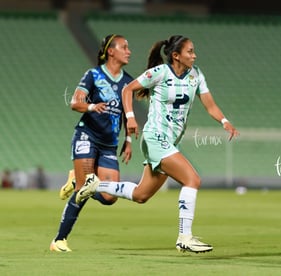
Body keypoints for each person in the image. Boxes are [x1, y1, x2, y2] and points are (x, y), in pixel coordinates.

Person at [76, 35, 239, 253]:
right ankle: (185, 237)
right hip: (154, 137)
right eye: (190, 51)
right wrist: (131, 117)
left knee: (141, 195)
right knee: (192, 179)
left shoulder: (196, 75)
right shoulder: (160, 73)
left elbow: (210, 105)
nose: (194, 55)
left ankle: (95, 185)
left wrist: (225, 121)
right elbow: (127, 89)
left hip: (169, 142)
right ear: (176, 56)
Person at [50, 34, 134, 252]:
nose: (129, 51)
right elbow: (75, 102)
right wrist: (91, 107)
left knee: (108, 196)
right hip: (87, 136)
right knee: (83, 189)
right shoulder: (93, 75)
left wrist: (128, 140)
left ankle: (76, 179)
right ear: (111, 51)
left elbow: (127, 113)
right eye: (124, 47)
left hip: (109, 144)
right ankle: (59, 240)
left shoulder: (128, 82)